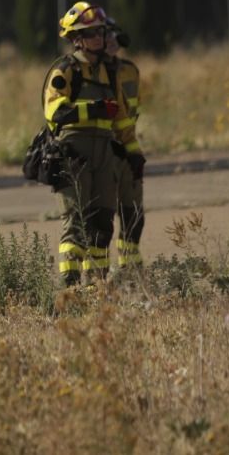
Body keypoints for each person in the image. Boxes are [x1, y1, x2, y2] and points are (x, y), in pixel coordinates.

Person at [45, 2, 137, 286]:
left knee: (103, 221)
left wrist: (133, 153)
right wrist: (92, 109)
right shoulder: (65, 69)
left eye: (101, 32)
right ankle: (69, 286)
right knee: (76, 220)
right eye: (94, 33)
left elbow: (121, 115)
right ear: (77, 39)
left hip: (104, 152)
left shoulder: (108, 72)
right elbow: (54, 112)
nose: (101, 38)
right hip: (74, 151)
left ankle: (96, 285)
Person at [103, 16, 146, 270]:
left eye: (112, 34)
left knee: (134, 212)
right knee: (101, 217)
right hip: (102, 152)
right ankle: (97, 277)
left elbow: (132, 110)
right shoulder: (89, 73)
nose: (109, 40)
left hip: (127, 147)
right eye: (102, 34)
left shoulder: (130, 70)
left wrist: (132, 148)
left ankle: (131, 269)